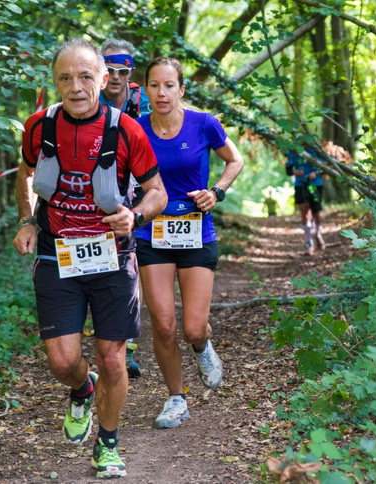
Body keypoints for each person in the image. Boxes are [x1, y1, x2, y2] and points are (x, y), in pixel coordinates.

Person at [13, 38, 167, 478]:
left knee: (113, 357)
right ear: (56, 81)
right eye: (65, 77)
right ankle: (82, 390)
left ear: (104, 78)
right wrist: (26, 219)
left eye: (85, 76)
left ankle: (108, 444)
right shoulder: (39, 126)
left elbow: (158, 191)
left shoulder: (127, 130)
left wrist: (134, 215)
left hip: (112, 256)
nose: (76, 87)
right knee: (62, 361)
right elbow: (26, 172)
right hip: (57, 253)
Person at [134, 57, 244, 429]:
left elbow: (235, 160)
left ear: (182, 89)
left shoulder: (203, 123)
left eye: (169, 85)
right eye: (154, 85)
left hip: (196, 231)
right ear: (145, 89)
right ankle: (176, 399)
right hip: (151, 233)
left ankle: (202, 346)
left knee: (192, 328)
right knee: (163, 325)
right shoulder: (134, 130)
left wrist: (217, 192)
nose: (161, 93)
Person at [99, 38, 150, 379]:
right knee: (105, 262)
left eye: (122, 70)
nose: (116, 77)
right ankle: (107, 338)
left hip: (141, 184)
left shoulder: (142, 99)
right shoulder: (88, 94)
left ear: (130, 72)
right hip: (102, 186)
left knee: (137, 259)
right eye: (110, 70)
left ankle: (127, 343)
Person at [285, 147, 326, 255]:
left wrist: (315, 173)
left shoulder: (316, 150)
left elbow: (324, 167)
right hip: (300, 185)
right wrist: (295, 172)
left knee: (316, 213)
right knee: (304, 213)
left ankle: (317, 234)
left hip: (315, 185)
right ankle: (309, 242)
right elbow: (288, 171)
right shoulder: (293, 151)